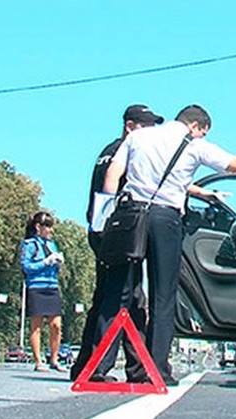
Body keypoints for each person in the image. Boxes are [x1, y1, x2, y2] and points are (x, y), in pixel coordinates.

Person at [98, 104, 236, 385]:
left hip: (129, 214)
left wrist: (103, 216)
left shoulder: (139, 137)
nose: (202, 136)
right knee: (163, 295)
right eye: (203, 132)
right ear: (196, 126)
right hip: (165, 218)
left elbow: (114, 172)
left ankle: (99, 368)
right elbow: (235, 163)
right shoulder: (193, 144)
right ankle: (156, 371)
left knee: (117, 292)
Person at [70, 104, 163, 383]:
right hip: (119, 235)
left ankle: (98, 366)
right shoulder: (125, 153)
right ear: (130, 126)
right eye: (146, 126)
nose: (151, 132)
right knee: (118, 299)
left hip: (103, 231)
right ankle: (97, 369)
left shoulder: (107, 151)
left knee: (125, 299)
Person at [20, 211, 66, 373]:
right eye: (47, 226)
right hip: (36, 287)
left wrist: (58, 263)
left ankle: (54, 358)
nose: (50, 230)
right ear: (38, 227)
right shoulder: (29, 244)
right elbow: (26, 267)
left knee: (56, 325)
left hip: (52, 286)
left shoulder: (52, 244)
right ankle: (38, 360)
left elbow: (55, 266)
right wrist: (45, 262)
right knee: (36, 326)